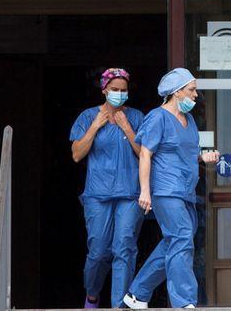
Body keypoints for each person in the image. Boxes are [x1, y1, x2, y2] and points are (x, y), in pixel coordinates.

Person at [123, 68, 220, 310]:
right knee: (181, 239)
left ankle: (137, 294)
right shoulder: (158, 117)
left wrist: (203, 157)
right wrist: (145, 191)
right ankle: (184, 301)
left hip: (186, 191)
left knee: (173, 241)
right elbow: (146, 154)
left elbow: (183, 153)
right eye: (191, 89)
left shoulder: (189, 122)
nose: (196, 95)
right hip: (166, 191)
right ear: (177, 92)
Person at [70, 68, 146, 309]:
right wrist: (95, 127)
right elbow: (76, 155)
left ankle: (118, 306)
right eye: (114, 90)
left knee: (124, 247)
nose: (119, 94)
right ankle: (92, 294)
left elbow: (145, 154)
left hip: (130, 194)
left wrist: (127, 129)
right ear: (104, 90)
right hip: (97, 195)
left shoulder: (136, 117)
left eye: (123, 91)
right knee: (99, 250)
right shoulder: (87, 116)